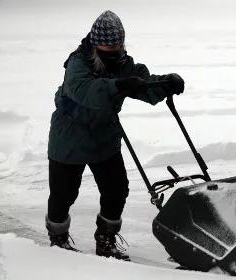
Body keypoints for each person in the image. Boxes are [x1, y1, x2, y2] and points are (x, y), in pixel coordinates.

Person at [45, 10, 184, 261]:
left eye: (117, 43)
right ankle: (58, 239)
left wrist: (167, 83)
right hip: (69, 138)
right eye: (108, 44)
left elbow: (142, 83)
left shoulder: (123, 63)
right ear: (95, 42)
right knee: (63, 194)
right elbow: (85, 91)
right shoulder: (78, 63)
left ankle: (106, 240)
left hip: (104, 137)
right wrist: (118, 85)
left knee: (117, 190)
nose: (114, 48)